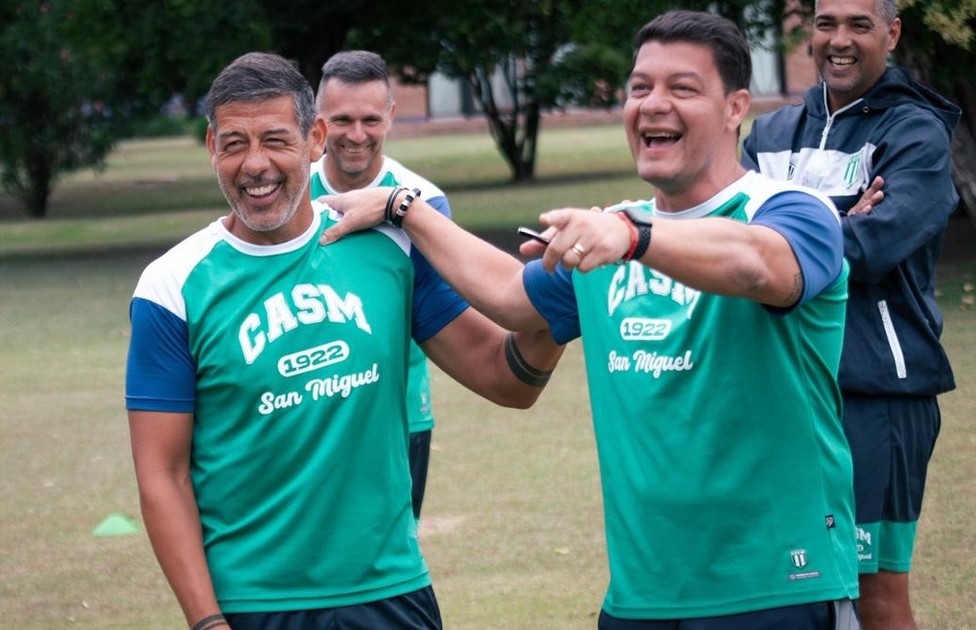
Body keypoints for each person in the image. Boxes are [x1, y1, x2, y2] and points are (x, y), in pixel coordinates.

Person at [321, 11, 861, 628]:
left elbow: (759, 267)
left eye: (682, 88)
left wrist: (634, 235)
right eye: (640, 88)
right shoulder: (607, 234)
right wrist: (404, 207)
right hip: (640, 599)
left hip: (779, 589)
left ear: (735, 106)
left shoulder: (790, 211)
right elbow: (508, 296)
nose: (653, 104)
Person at [124, 52, 562, 630]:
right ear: (211, 147)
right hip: (253, 604)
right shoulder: (170, 287)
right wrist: (207, 622)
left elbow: (507, 380)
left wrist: (560, 303)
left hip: (389, 591)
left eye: (275, 140)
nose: (255, 165)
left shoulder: (391, 248)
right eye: (234, 144)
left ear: (314, 139)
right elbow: (163, 475)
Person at [741, 1, 959, 627]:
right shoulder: (772, 133)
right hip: (783, 391)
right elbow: (728, 241)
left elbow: (868, 250)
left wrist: (779, 236)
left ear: (891, 33)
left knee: (874, 599)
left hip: (876, 394)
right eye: (826, 23)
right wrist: (840, 216)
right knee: (790, 588)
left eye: (859, 25)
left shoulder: (916, 134)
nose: (839, 40)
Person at [310, 50, 452, 520]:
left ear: (390, 116)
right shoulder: (290, 194)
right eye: (342, 120)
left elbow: (448, 320)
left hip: (400, 416)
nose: (356, 135)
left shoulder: (426, 203)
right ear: (317, 121)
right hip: (306, 414)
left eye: (370, 119)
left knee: (392, 546)